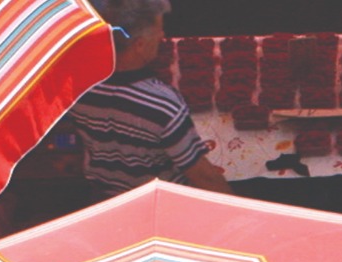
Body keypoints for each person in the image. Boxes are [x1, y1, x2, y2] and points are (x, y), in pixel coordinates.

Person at [72, 0, 232, 198]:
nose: (162, 36)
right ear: (139, 44)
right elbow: (202, 175)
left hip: (109, 198)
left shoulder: (80, 88)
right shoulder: (162, 104)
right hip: (159, 203)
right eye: (159, 31)